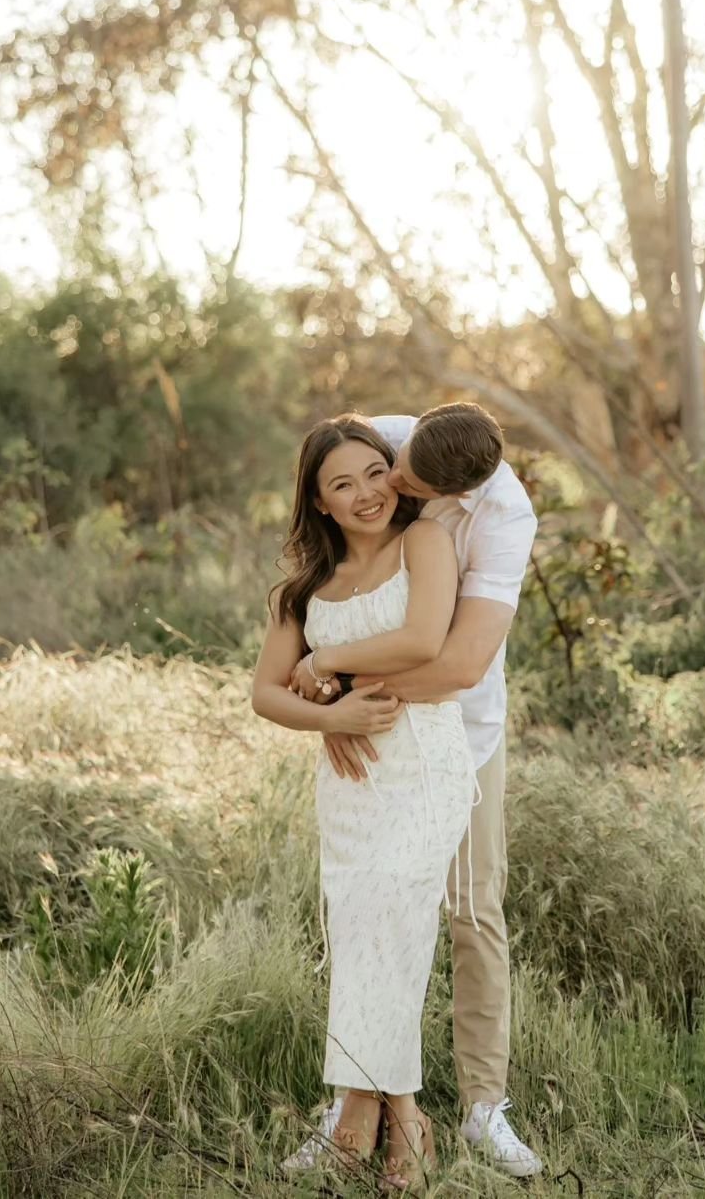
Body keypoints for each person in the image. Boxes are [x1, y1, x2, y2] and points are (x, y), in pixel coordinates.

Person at [285, 401, 543, 1180]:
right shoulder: (387, 441)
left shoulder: (502, 517)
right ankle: (357, 1099)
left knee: (470, 907)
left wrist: (340, 679)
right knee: (364, 908)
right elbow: (323, 541)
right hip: (367, 723)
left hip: (460, 729)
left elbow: (460, 664)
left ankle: (483, 1106)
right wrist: (332, 709)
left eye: (410, 484)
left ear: (458, 492)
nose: (390, 486)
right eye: (392, 465)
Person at [252, 413, 479, 1192]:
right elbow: (263, 694)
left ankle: (385, 1114)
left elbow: (423, 640)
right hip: (350, 781)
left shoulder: (425, 541)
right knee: (360, 932)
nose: (365, 493)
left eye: (373, 473)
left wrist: (327, 660)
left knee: (393, 915)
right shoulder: (304, 589)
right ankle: (375, 1110)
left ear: (394, 470)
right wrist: (329, 717)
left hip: (425, 766)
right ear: (319, 503)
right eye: (340, 485)